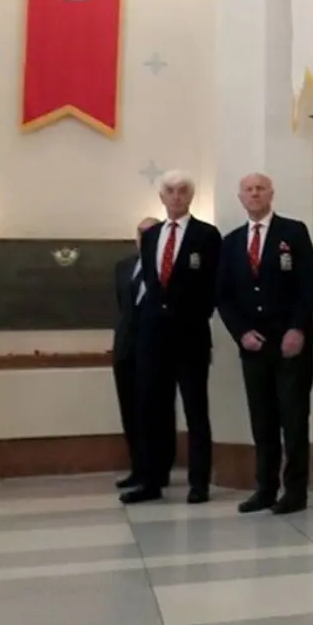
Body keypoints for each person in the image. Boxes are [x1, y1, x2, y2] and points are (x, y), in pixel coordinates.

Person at [219, 174, 313, 515]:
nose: (254, 193)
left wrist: (297, 328)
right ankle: (265, 489)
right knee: (262, 422)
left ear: (271, 194)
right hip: (254, 346)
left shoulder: (293, 232)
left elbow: (309, 284)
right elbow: (224, 296)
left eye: (260, 188)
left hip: (291, 344)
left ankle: (295, 492)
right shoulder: (231, 242)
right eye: (248, 189)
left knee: (294, 420)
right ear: (240, 197)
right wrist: (242, 333)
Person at [124, 171, 221, 505]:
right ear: (161, 197)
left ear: (190, 196)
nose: (176, 196)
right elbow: (150, 284)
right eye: (170, 191)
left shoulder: (206, 235)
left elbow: (213, 285)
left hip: (190, 335)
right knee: (152, 409)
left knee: (196, 410)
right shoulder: (151, 236)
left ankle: (199, 483)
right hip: (154, 337)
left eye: (182, 191)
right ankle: (151, 480)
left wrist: (194, 315)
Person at [113, 217, 161, 490]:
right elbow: (122, 306)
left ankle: (157, 470)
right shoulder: (123, 266)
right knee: (129, 411)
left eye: (151, 232)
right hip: (126, 348)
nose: (145, 237)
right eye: (141, 233)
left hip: (155, 348)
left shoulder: (166, 266)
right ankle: (138, 468)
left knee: (153, 413)